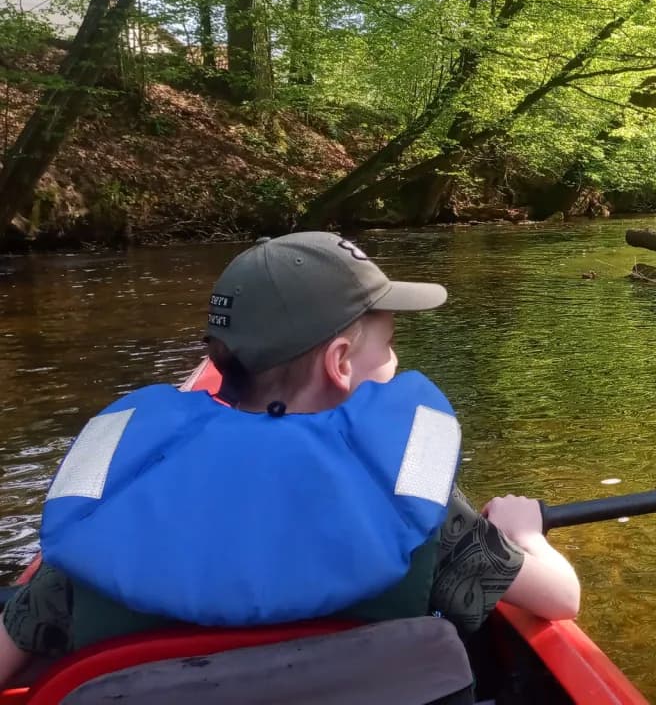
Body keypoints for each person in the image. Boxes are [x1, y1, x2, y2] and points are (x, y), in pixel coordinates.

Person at [0, 232, 579, 686]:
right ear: (341, 361)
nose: (396, 358)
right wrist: (524, 537)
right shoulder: (412, 505)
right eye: (390, 342)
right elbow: (561, 599)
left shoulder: (105, 519)